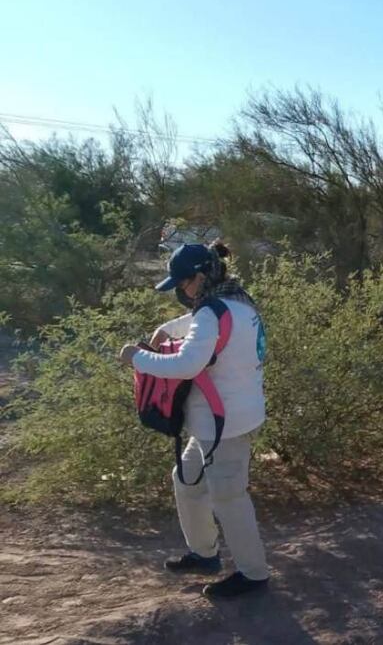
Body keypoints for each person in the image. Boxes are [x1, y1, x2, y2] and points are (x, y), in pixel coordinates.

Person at [117, 243, 269, 599]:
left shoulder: (212, 312)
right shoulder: (239, 301)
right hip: (224, 420)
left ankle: (254, 574)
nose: (182, 292)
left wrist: (136, 357)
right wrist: (167, 329)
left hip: (224, 426)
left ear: (200, 278)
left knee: (229, 497)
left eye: (183, 284)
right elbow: (208, 319)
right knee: (186, 479)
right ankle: (205, 554)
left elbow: (186, 365)